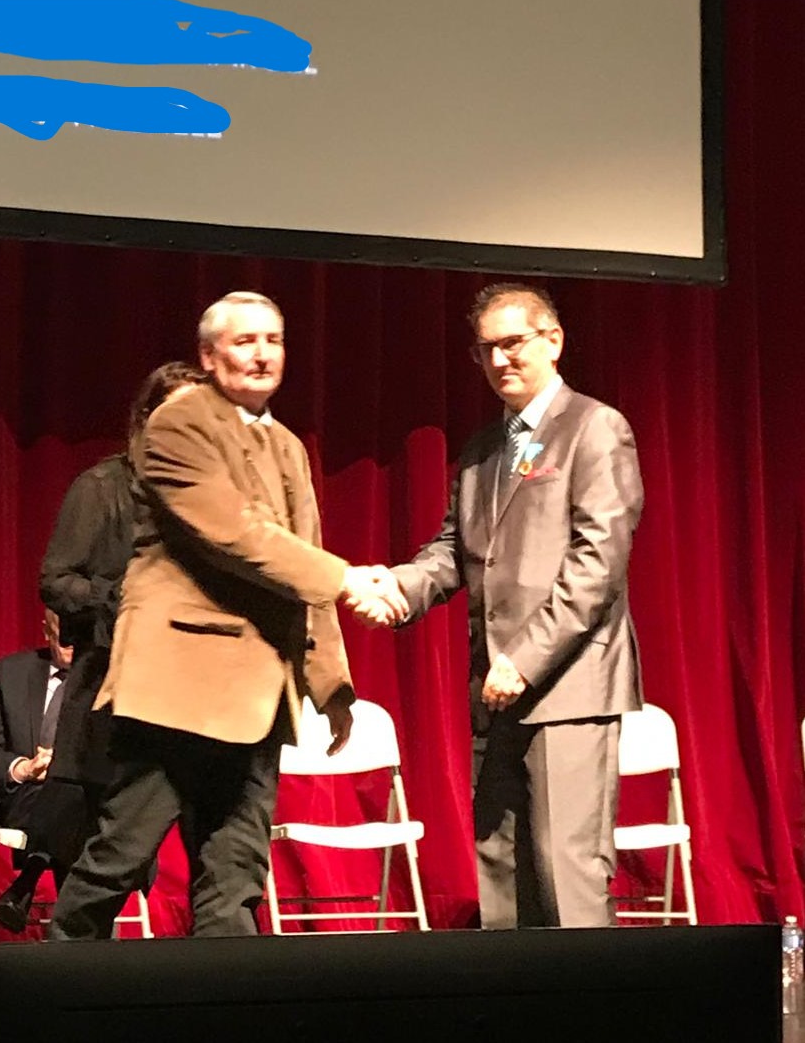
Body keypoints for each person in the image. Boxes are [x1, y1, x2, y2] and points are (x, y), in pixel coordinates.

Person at [48, 290, 400, 940]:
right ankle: (48, 992)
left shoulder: (289, 446)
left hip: (256, 692)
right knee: (121, 857)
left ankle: (221, 1012)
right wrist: (351, 579)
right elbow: (237, 536)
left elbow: (302, 562)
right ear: (210, 357)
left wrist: (332, 685)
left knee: (235, 874)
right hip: (174, 688)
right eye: (245, 341)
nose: (262, 353)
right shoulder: (176, 430)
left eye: (274, 340)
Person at [361, 281, 644, 929]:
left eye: (513, 343)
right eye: (487, 349)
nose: (500, 361)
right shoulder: (484, 450)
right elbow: (453, 550)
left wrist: (525, 656)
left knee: (565, 872)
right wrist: (397, 587)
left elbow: (598, 561)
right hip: (495, 690)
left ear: (553, 340)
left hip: (569, 686)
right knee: (504, 873)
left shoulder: (595, 427)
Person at [0, 361, 205, 933]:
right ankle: (73, 975)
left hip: (198, 697)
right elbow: (56, 581)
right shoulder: (104, 487)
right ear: (146, 417)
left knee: (219, 853)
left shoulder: (213, 493)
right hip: (113, 690)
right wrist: (123, 599)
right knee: (108, 854)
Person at [0, 608, 74, 898]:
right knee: (67, 809)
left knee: (74, 801)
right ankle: (82, 933)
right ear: (47, 632)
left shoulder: (108, 678)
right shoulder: (11, 674)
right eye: (65, 635)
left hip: (87, 800)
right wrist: (24, 768)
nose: (74, 642)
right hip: (25, 799)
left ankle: (28, 880)